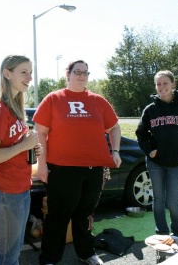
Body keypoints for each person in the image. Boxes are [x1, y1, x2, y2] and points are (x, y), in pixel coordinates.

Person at [33, 60, 122, 265]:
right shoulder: (53, 99)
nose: (81, 76)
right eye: (77, 72)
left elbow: (115, 127)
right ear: (68, 74)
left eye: (85, 72)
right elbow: (40, 134)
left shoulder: (98, 101)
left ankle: (86, 253)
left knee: (85, 215)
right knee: (58, 217)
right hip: (62, 170)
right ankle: (49, 259)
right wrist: (42, 164)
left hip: (94, 170)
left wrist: (115, 150)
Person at [0, 55, 42, 265]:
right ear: (8, 73)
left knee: (11, 254)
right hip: (7, 192)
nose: (29, 77)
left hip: (20, 188)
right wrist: (22, 146)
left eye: (31, 72)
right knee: (9, 256)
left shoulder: (15, 107)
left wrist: (31, 147)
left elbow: (14, 145)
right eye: (23, 72)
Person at [135, 70, 178, 239]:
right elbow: (141, 134)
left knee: (173, 202)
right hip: (156, 162)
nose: (162, 87)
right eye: (158, 84)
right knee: (158, 200)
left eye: (165, 83)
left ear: (173, 84)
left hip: (177, 162)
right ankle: (161, 231)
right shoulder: (150, 109)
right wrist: (149, 150)